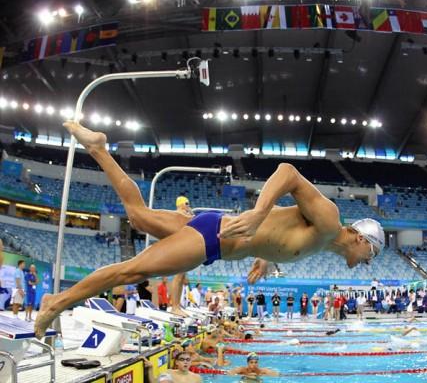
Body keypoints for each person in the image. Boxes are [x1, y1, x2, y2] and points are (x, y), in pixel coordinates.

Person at [35, 121, 384, 337]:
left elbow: (280, 235)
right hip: (212, 239)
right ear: (359, 236)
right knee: (129, 271)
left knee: (138, 216)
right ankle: (56, 302)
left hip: (212, 228)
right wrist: (260, 215)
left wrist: (264, 256)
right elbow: (288, 172)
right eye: (373, 252)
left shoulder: (323, 244)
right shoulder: (330, 220)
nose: (370, 261)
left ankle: (98, 148)